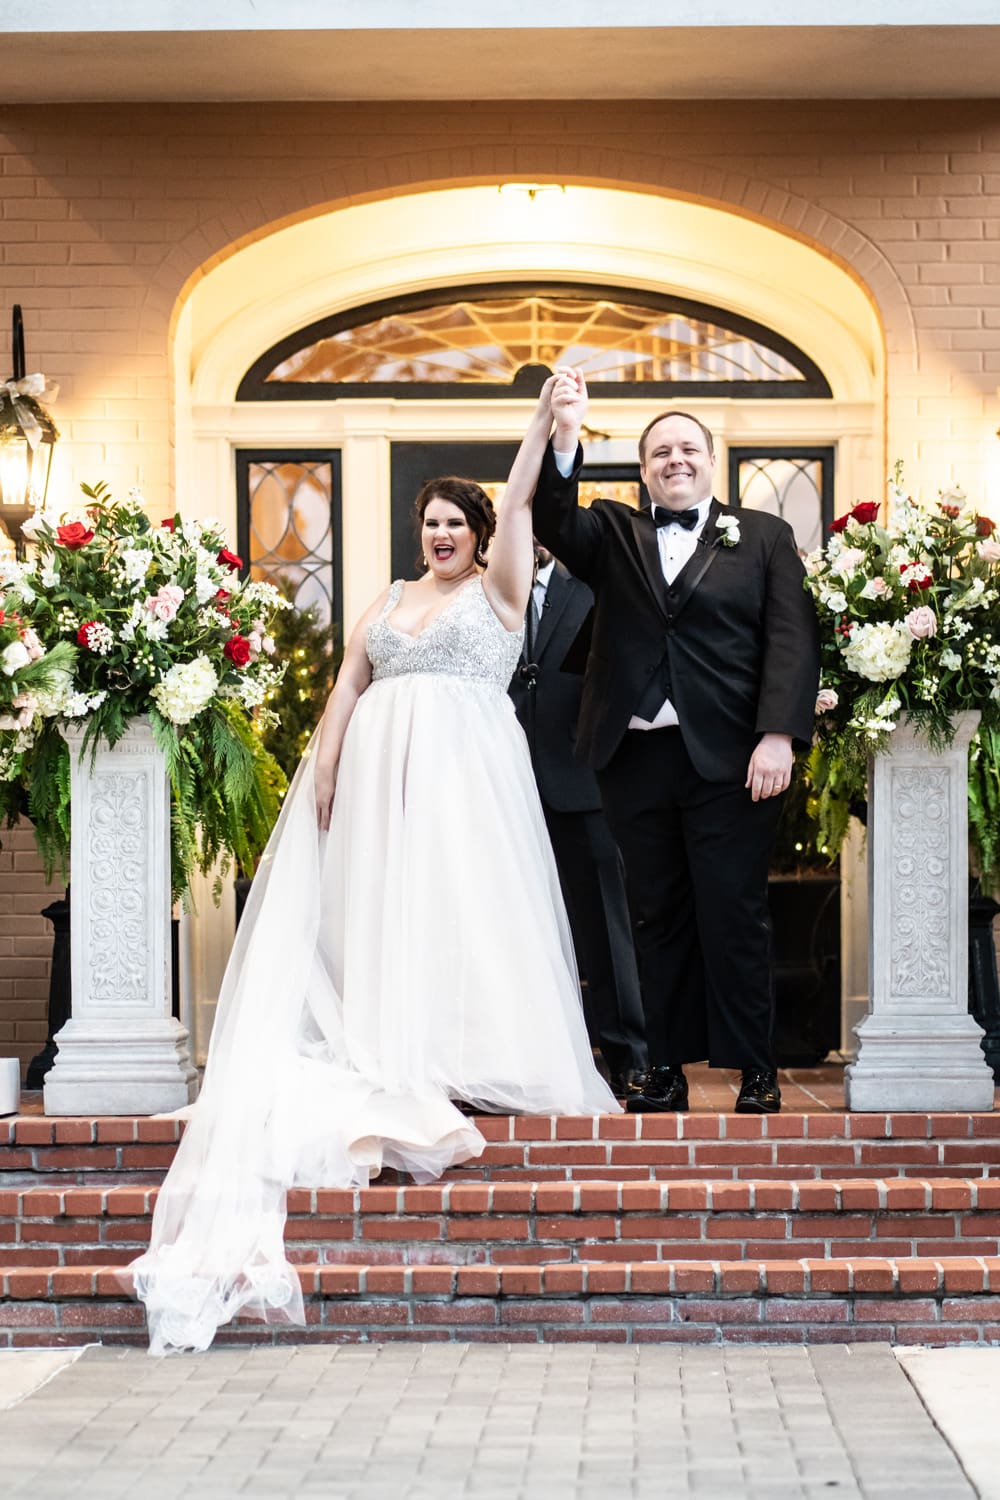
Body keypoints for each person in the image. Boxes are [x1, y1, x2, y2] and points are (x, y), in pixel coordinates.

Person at [130, 379, 618, 1356]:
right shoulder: (389, 601)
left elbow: (523, 497)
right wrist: (323, 771)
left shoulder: (501, 589)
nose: (441, 534)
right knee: (380, 920)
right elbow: (350, 683)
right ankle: (392, 1040)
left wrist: (541, 427)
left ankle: (467, 1052)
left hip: (468, 784)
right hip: (378, 789)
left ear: (480, 533)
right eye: (430, 522)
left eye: (454, 521)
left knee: (465, 913)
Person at [531, 369, 820, 1116]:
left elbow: (791, 641)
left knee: (734, 912)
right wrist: (565, 435)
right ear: (642, 468)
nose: (675, 460)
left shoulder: (764, 537)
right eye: (660, 452)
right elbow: (552, 522)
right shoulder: (613, 531)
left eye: (688, 448)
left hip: (734, 761)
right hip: (633, 758)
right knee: (652, 916)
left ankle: (756, 1068)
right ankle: (663, 1068)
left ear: (711, 459)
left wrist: (779, 736)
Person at [509, 544, 647, 1097]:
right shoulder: (477, 594)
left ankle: (630, 1058)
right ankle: (519, 1062)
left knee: (605, 931)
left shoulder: (596, 588)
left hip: (584, 782)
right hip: (501, 785)